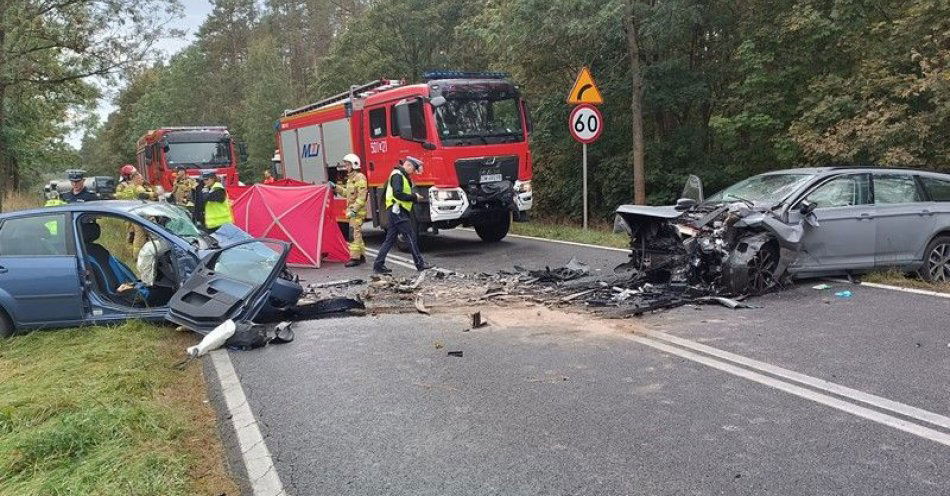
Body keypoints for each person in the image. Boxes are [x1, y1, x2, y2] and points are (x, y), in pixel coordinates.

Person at [373, 156, 432, 274]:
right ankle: (419, 263)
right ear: (408, 165)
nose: (413, 172)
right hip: (397, 209)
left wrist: (413, 198)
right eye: (413, 169)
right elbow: (398, 194)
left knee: (390, 239)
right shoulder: (398, 175)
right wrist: (414, 197)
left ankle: (378, 265)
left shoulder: (401, 175)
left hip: (396, 210)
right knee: (410, 236)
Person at [333, 153, 368, 267]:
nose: (346, 167)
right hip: (353, 212)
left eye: (347, 165)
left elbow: (362, 197)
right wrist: (335, 188)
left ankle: (355, 258)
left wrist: (354, 210)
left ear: (354, 165)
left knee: (354, 235)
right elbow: (346, 193)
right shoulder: (350, 179)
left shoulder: (360, 177)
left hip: (357, 212)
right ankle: (361, 256)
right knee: (357, 234)